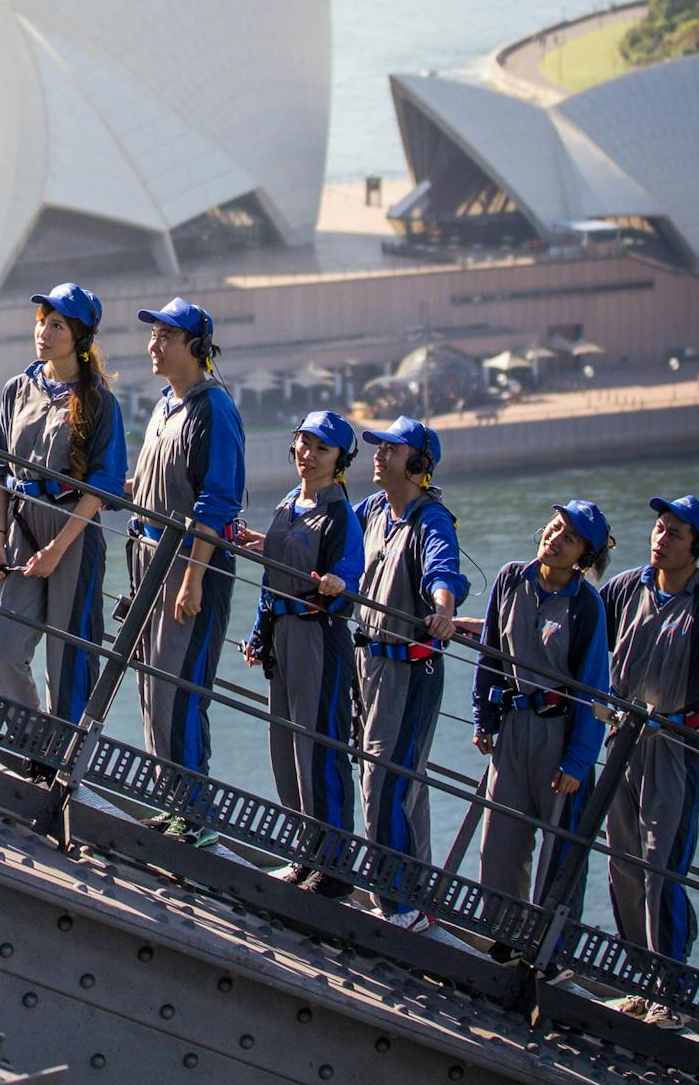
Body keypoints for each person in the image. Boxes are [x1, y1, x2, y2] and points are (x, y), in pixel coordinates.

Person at [599, 494, 699, 1028]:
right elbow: (585, 635)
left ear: (698, 548)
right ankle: (641, 979)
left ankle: (673, 988)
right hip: (620, 740)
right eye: (659, 528)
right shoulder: (626, 588)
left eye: (675, 534)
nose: (661, 539)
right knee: (622, 862)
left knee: (663, 865)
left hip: (675, 746)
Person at [128, 297, 245, 846]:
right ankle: (170, 800)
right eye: (153, 336)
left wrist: (194, 579)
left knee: (181, 688)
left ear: (195, 346)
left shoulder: (212, 408)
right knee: (153, 687)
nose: (154, 345)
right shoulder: (163, 405)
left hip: (189, 567)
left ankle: (196, 814)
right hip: (150, 561)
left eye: (166, 337)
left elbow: (218, 503)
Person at [0, 283, 126, 726]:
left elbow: (103, 484)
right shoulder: (17, 388)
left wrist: (58, 549)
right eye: (42, 322)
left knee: (69, 659)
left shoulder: (100, 402)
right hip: (21, 526)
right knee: (4, 651)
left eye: (57, 324)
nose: (43, 332)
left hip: (72, 533)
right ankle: (31, 736)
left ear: (80, 338)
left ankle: (61, 754)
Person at [471, 500, 613, 946]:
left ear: (584, 557)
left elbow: (594, 690)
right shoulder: (512, 578)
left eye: (569, 537)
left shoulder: (586, 605)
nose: (555, 539)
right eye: (554, 528)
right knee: (500, 843)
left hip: (560, 734)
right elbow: (490, 654)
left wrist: (578, 761)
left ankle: (553, 948)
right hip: (513, 727)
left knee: (560, 850)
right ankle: (502, 937)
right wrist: (484, 716)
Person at [237, 411, 364, 897]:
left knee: (319, 745)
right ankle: (305, 850)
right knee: (285, 746)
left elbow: (351, 570)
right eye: (303, 444)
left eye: (321, 449)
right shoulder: (291, 503)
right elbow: (273, 577)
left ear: (339, 460)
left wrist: (340, 583)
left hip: (317, 635)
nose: (308, 456)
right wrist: (258, 631)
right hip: (283, 632)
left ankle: (335, 865)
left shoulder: (338, 515)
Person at [354, 415, 466, 930]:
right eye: (378, 447)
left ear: (418, 464)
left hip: (408, 670)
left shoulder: (430, 518)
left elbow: (445, 571)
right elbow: (335, 540)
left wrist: (442, 609)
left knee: (387, 782)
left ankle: (397, 904)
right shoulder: (376, 509)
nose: (379, 455)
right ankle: (415, 894)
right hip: (368, 662)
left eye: (392, 450)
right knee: (396, 783)